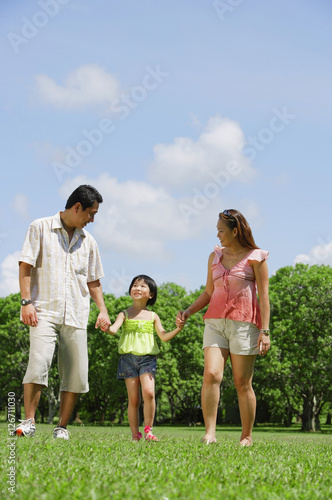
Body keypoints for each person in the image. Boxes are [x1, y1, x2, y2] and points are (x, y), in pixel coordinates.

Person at [15, 185, 111, 440]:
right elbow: (26, 266)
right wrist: (26, 302)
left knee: (77, 373)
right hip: (43, 310)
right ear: (77, 207)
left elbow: (94, 281)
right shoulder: (40, 227)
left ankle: (62, 427)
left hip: (77, 313)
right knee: (38, 363)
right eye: (91, 213)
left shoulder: (89, 241)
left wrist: (103, 311)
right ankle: (29, 422)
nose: (92, 219)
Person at [177, 209, 270, 446]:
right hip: (215, 322)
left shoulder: (256, 257)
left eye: (221, 230)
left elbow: (264, 297)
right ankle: (210, 433)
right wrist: (188, 311)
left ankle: (246, 436)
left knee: (242, 382)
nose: (217, 235)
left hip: (244, 324)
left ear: (235, 231)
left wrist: (265, 331)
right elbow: (209, 291)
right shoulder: (214, 256)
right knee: (211, 375)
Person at [100, 274, 183, 442]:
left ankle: (148, 430)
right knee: (134, 399)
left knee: (149, 393)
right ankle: (134, 435)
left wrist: (178, 329)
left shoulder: (153, 316)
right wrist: (105, 327)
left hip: (147, 359)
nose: (137, 288)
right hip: (128, 359)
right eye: (135, 285)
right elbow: (113, 330)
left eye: (143, 286)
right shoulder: (123, 314)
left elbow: (164, 337)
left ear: (151, 294)